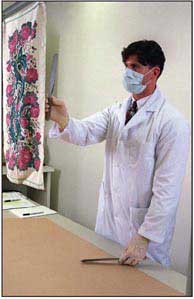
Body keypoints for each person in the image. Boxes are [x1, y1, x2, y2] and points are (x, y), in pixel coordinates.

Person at [47, 40, 190, 267]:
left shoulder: (172, 123)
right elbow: (85, 133)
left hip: (142, 234)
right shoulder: (116, 111)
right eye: (126, 66)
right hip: (109, 223)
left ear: (154, 72)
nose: (127, 73)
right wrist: (61, 118)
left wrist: (145, 237)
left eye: (135, 67)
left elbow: (167, 190)